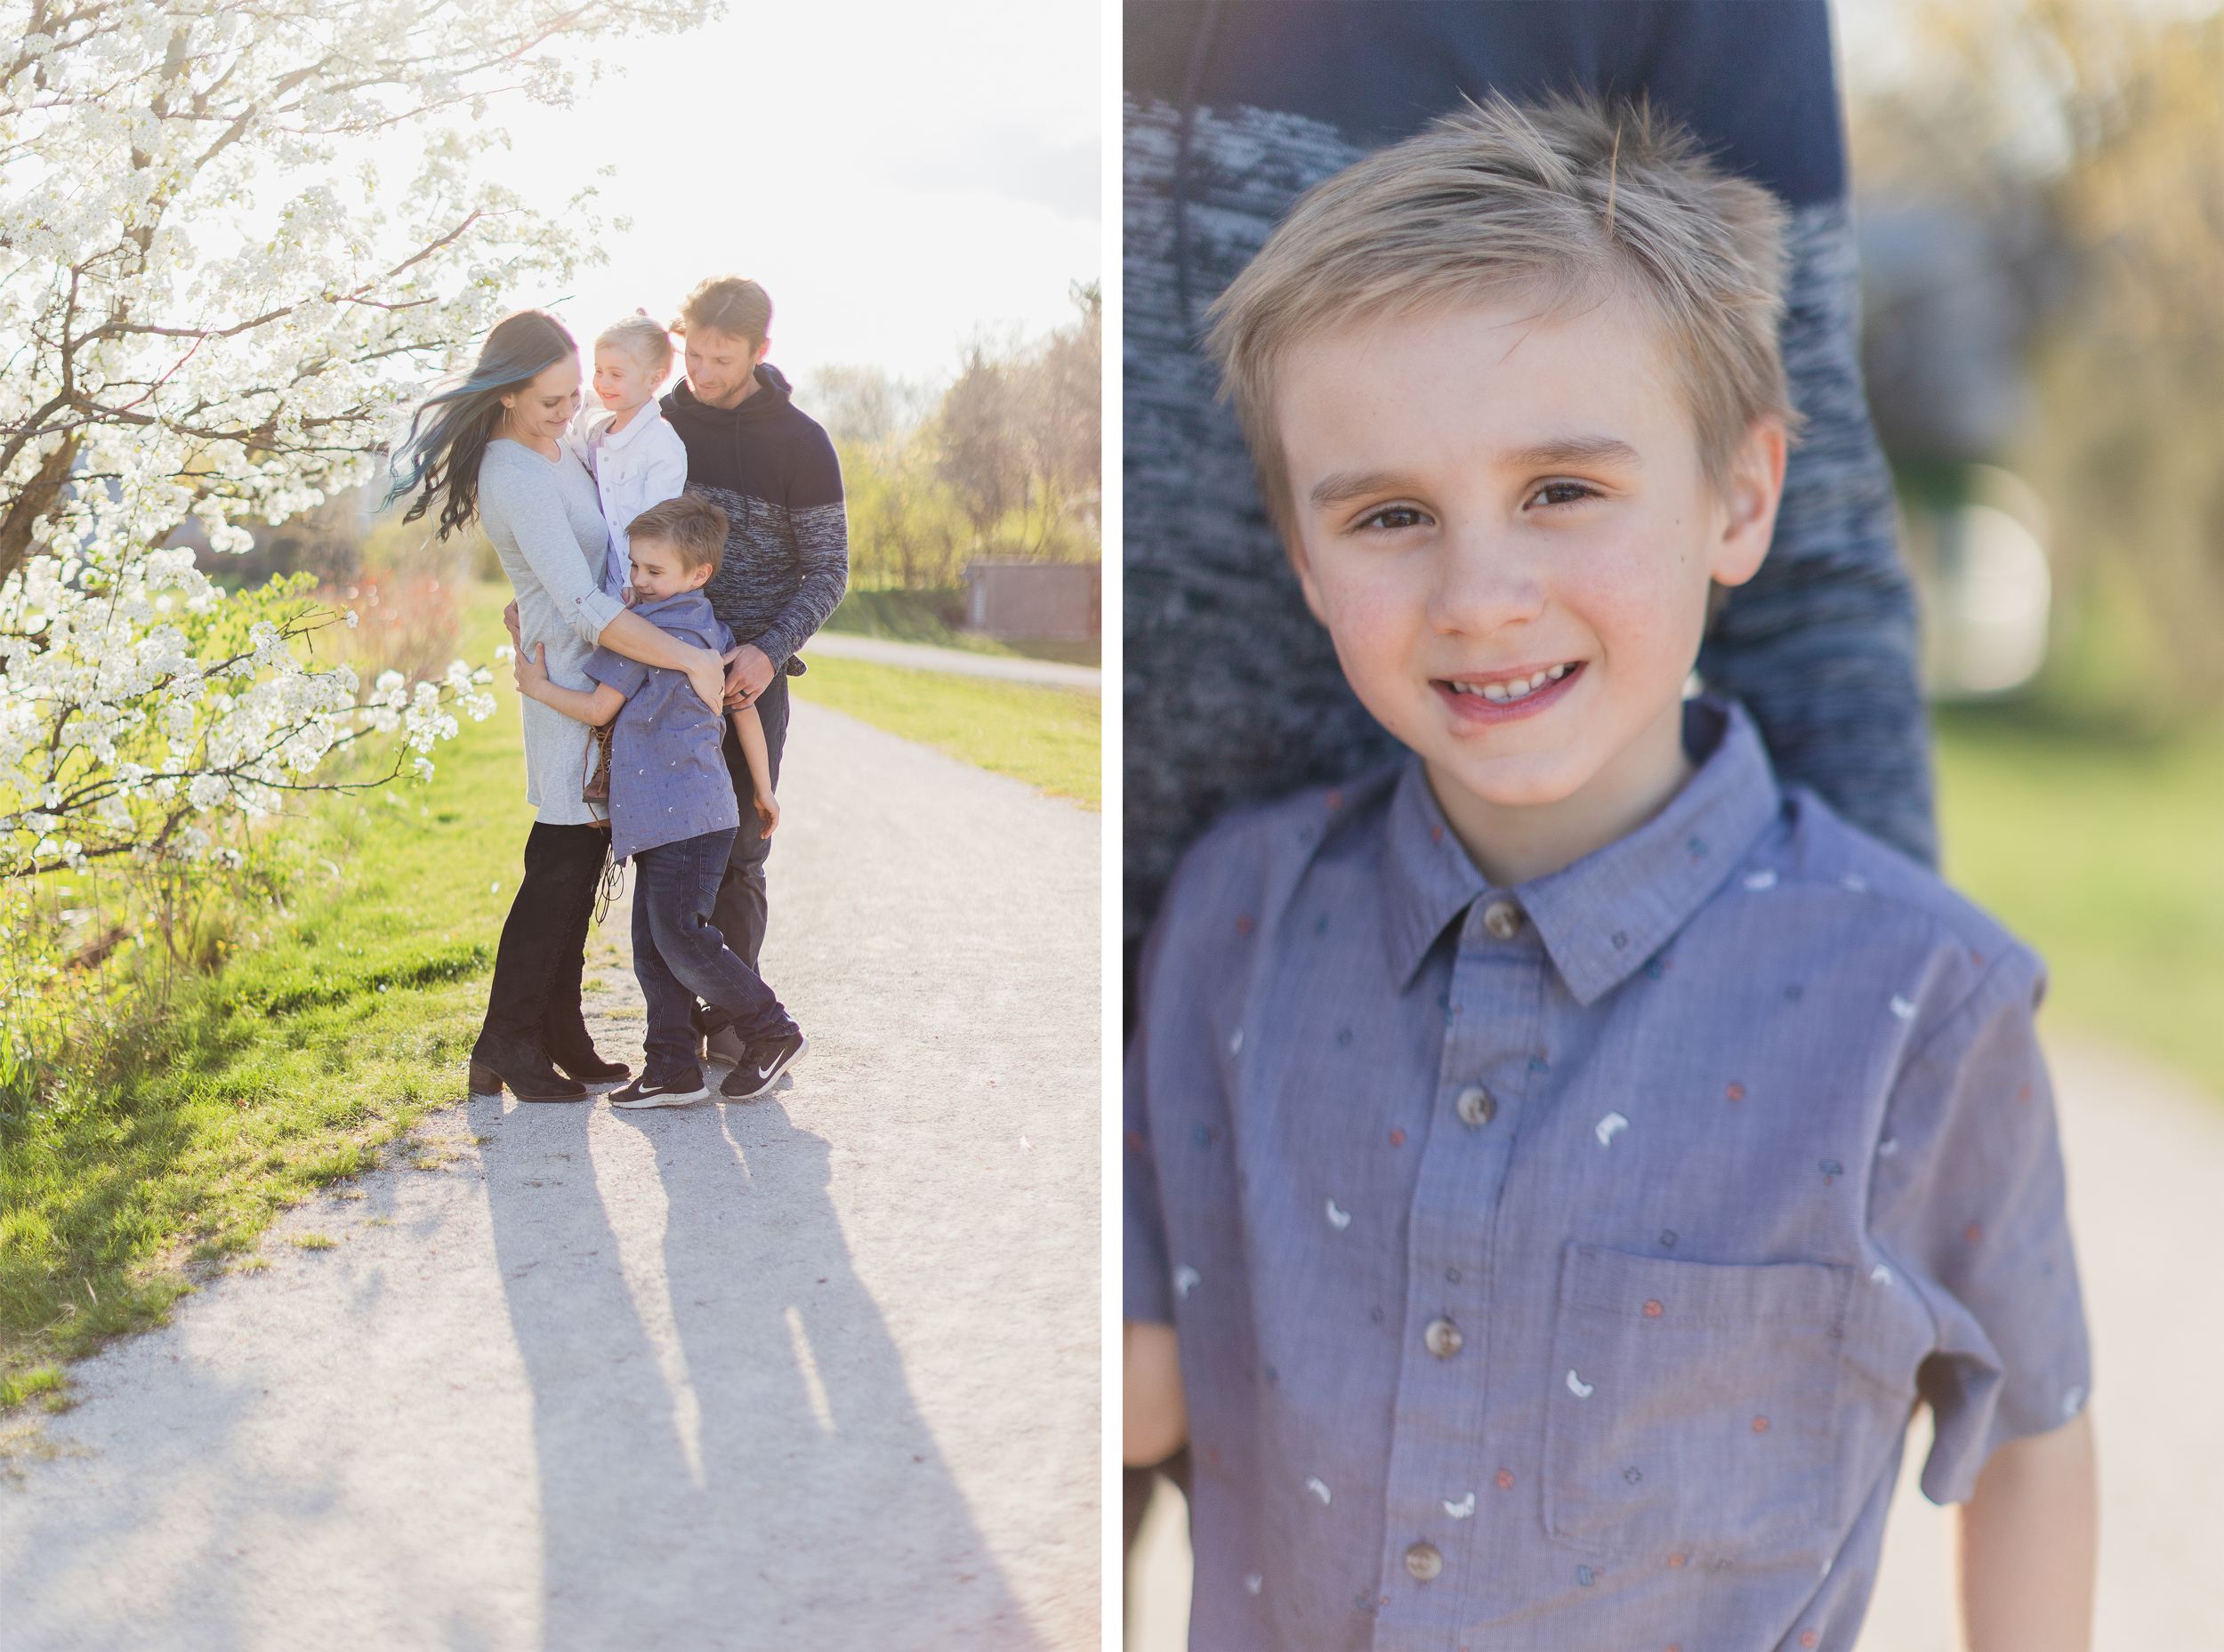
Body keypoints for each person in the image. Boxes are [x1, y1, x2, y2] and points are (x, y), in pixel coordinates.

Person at [1123, 98, 2097, 1651]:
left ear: (1742, 496)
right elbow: (1132, 1383)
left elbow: (2032, 1422)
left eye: (1562, 490)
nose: (1481, 595)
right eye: (1389, 516)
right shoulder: (1231, 923)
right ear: (1303, 562)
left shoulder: (1926, 999)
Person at [386, 308, 730, 1103]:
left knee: (577, 864)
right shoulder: (511, 473)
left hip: (609, 664)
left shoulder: (563, 449)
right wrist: (685, 653)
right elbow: (575, 599)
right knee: (559, 862)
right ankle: (506, 1038)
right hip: (569, 674)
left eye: (575, 392)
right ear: (506, 395)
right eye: (551, 399)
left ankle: (557, 1026)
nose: (569, 408)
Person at [512, 495, 806, 1108]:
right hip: (689, 814)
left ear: (698, 573)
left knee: (679, 936)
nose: (639, 582)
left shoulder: (637, 637)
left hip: (683, 816)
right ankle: (672, 1064)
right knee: (656, 944)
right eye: (636, 567)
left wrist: (537, 686)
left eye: (654, 571)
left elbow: (597, 708)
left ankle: (770, 1029)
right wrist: (762, 786)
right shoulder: (709, 626)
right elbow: (743, 704)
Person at [659, 275, 848, 1063]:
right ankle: (667, 1032)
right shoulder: (660, 427)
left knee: (740, 845)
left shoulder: (801, 443)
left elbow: (829, 569)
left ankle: (738, 1019)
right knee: (667, 847)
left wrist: (767, 652)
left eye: (721, 356)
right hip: (665, 662)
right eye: (693, 351)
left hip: (749, 676)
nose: (701, 369)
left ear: (760, 352)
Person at [577, 312, 689, 608]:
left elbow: (656, 526)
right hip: (601, 572)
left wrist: (633, 578)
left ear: (655, 379)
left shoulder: (661, 443)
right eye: (598, 370)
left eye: (616, 374)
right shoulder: (597, 431)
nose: (603, 382)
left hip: (639, 583)